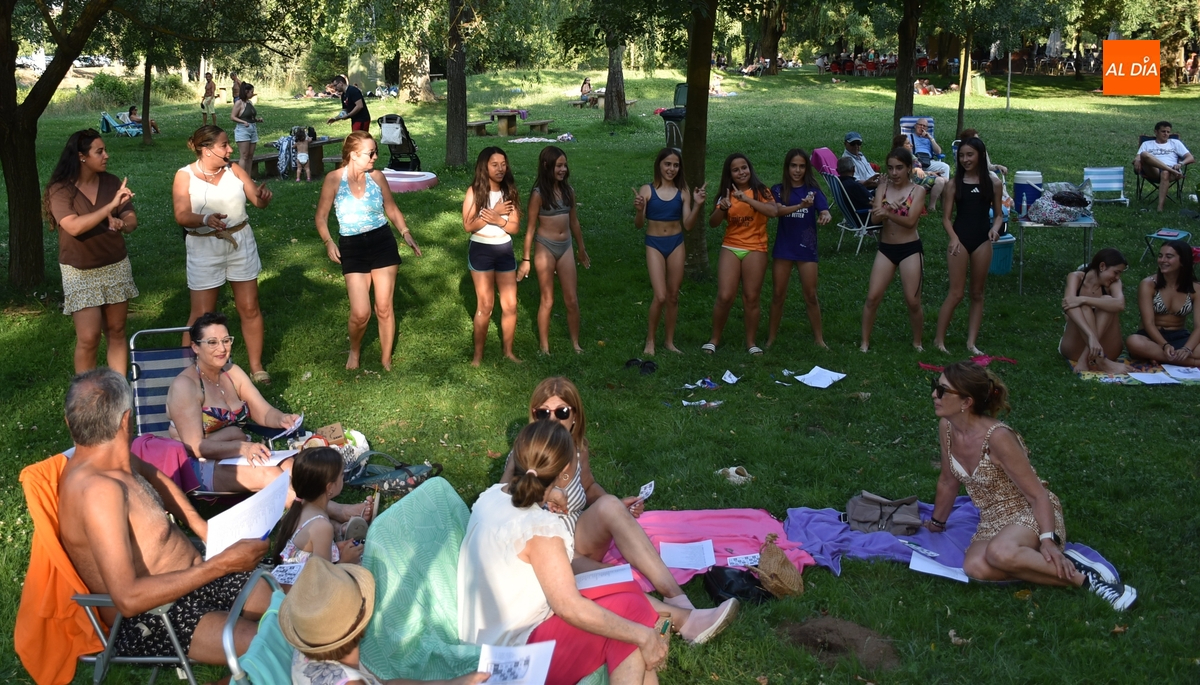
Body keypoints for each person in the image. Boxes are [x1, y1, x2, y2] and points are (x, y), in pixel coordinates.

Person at [461, 421, 730, 685]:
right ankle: (662, 634)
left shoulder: (491, 496)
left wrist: (549, 493)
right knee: (632, 612)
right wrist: (642, 635)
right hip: (514, 660)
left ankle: (665, 633)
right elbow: (569, 607)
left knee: (626, 592)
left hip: (485, 641)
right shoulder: (541, 531)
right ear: (564, 472)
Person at [58, 368, 275, 665]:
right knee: (273, 646)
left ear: (69, 421)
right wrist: (220, 565)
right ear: (126, 421)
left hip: (199, 574)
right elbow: (129, 599)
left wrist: (201, 527)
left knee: (294, 611)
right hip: (156, 614)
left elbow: (154, 475)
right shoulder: (98, 492)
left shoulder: (110, 456)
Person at [500, 377, 740, 644]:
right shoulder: (525, 452)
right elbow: (500, 500)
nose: (553, 419)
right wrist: (543, 498)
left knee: (611, 504)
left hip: (577, 535)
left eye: (562, 412)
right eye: (544, 413)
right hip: (547, 550)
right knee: (611, 579)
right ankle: (686, 622)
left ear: (575, 416)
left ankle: (677, 597)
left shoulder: (578, 448)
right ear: (534, 415)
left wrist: (618, 510)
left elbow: (588, 486)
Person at [926, 361, 1137, 610]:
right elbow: (948, 480)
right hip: (991, 519)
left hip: (1029, 510)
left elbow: (1038, 495)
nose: (934, 394)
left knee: (1000, 554)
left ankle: (1090, 582)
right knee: (975, 568)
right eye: (936, 386)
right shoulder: (947, 427)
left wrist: (1048, 540)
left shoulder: (998, 437)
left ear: (967, 402)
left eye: (942, 390)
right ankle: (1054, 565)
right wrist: (936, 523)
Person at [282, 557, 489, 685]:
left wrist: (449, 683)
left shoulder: (310, 642)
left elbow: (385, 684)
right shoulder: (350, 682)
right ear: (363, 617)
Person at [172, 125, 274, 382]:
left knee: (249, 307)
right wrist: (205, 219)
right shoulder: (185, 176)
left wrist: (263, 198)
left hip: (240, 242)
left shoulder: (234, 170)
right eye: (224, 145)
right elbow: (181, 215)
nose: (230, 149)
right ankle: (188, 372)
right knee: (201, 314)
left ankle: (256, 367)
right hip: (204, 247)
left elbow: (257, 201)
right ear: (206, 150)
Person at [315, 131, 422, 370]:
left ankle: (386, 359)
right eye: (370, 153)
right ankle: (354, 350)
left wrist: (405, 232)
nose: (375, 157)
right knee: (361, 313)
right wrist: (328, 241)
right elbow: (321, 217)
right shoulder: (334, 179)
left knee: (383, 307)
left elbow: (391, 208)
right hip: (352, 246)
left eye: (376, 152)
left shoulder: (377, 177)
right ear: (353, 155)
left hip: (381, 241)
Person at [165, 312, 298, 494]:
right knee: (272, 475)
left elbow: (264, 412)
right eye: (212, 342)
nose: (222, 348)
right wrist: (242, 447)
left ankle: (320, 509)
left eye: (226, 341)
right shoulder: (186, 385)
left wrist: (282, 418)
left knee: (294, 469)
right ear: (195, 347)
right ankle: (318, 510)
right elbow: (195, 447)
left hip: (235, 453)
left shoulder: (232, 373)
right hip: (198, 464)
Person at [43, 129, 139, 375]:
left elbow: (131, 219)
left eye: (105, 150)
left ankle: (118, 388)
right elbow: (74, 227)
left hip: (115, 265)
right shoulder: (60, 189)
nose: (106, 155)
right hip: (80, 271)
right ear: (81, 156)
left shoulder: (111, 182)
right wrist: (109, 207)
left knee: (116, 331)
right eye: (100, 151)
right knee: (89, 337)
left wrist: (122, 223)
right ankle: (86, 393)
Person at [933, 138, 1005, 355]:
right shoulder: (954, 184)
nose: (965, 159)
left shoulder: (993, 183)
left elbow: (999, 215)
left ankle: (971, 343)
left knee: (977, 293)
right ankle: (939, 341)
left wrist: (995, 229)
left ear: (980, 155)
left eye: (969, 155)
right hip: (960, 239)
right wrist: (953, 238)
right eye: (962, 155)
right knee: (956, 293)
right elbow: (946, 218)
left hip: (982, 240)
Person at [517, 146, 590, 355]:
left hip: (566, 247)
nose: (563, 169)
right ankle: (544, 346)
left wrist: (581, 249)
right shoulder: (538, 194)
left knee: (572, 299)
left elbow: (574, 222)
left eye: (565, 165)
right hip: (545, 247)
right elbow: (530, 228)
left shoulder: (569, 192)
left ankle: (575, 343)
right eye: (559, 165)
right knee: (547, 299)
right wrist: (526, 259)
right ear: (546, 166)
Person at [703, 153, 778, 355]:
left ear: (749, 168)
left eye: (744, 167)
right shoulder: (726, 193)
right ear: (730, 174)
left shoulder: (761, 190)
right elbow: (713, 223)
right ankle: (714, 339)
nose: (741, 172)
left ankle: (751, 343)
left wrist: (746, 199)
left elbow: (773, 212)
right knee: (725, 296)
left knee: (751, 297)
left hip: (756, 248)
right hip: (731, 246)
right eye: (735, 170)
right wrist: (722, 208)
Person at [634, 148, 706, 356]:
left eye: (676, 165)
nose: (671, 169)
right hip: (654, 244)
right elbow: (639, 224)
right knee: (660, 296)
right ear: (659, 165)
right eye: (667, 164)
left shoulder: (683, 192)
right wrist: (639, 211)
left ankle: (669, 342)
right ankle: (650, 340)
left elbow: (688, 225)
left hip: (676, 243)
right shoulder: (647, 190)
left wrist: (697, 205)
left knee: (673, 296)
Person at [861, 148, 927, 352]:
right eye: (890, 168)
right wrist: (887, 209)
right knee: (872, 297)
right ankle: (864, 342)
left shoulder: (918, 191)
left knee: (913, 301)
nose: (894, 172)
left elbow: (910, 222)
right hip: (886, 249)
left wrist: (888, 212)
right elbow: (874, 219)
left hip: (910, 249)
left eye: (899, 168)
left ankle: (917, 342)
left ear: (908, 168)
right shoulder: (883, 188)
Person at [767, 148, 831, 349]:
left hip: (806, 248)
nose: (797, 170)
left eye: (802, 166)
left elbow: (824, 210)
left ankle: (819, 339)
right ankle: (771, 339)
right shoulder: (778, 190)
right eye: (793, 166)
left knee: (811, 295)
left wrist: (825, 215)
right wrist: (800, 207)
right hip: (784, 247)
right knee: (778, 295)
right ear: (787, 167)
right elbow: (776, 211)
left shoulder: (813, 190)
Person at [462, 146, 521, 366]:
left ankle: (508, 352)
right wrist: (494, 212)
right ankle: (477, 356)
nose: (500, 169)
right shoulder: (475, 192)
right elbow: (468, 226)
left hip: (504, 249)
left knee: (510, 305)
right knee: (485, 305)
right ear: (484, 167)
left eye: (503, 164)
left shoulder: (509, 192)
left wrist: (499, 221)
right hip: (481, 250)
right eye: (494, 165)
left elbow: (515, 227)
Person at [273, 447, 369, 566]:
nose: (343, 478)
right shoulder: (322, 527)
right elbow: (323, 575)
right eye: (341, 475)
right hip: (310, 577)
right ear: (330, 487)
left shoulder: (300, 507)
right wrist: (345, 560)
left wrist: (334, 548)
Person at [1124, 240, 1200, 366]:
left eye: (1169, 257)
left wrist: (1187, 349)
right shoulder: (1148, 284)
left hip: (1180, 336)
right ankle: (1191, 362)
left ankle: (1158, 357)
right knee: (1133, 341)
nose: (1162, 260)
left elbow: (1199, 327)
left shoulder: (1196, 288)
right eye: (1160, 256)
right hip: (1152, 337)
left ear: (1183, 261)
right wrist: (1164, 345)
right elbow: (1148, 323)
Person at [1059, 248, 1129, 373]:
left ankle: (1089, 359)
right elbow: (1068, 305)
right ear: (1102, 266)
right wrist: (1091, 336)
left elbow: (1120, 304)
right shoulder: (1076, 277)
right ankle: (1101, 360)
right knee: (1084, 308)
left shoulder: (1114, 283)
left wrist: (1083, 299)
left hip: (1107, 348)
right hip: (1075, 347)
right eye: (1116, 272)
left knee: (1107, 301)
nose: (1117, 277)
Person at [1133, 121, 1194, 212]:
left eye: (1168, 132)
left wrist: (1181, 164)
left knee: (1165, 173)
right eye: (1163, 131)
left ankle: (1160, 208)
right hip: (1154, 171)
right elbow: (1138, 157)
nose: (1166, 134)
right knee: (1144, 154)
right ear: (1156, 132)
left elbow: (1190, 157)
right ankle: (1169, 170)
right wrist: (1137, 160)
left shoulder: (1175, 143)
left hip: (1171, 172)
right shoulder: (1146, 144)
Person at [891, 134, 946, 212]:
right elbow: (903, 171)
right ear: (901, 146)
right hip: (912, 181)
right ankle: (931, 207)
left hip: (919, 178)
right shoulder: (899, 157)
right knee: (940, 181)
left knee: (945, 179)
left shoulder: (909, 155)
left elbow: (919, 171)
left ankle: (944, 206)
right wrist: (916, 169)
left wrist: (929, 173)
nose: (911, 145)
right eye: (908, 143)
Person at [230, 82, 263, 174]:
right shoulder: (239, 103)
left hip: (252, 129)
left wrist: (257, 120)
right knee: (244, 155)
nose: (253, 94)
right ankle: (242, 177)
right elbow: (232, 117)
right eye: (251, 92)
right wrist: (243, 122)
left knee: (250, 155)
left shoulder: (249, 102)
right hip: (243, 130)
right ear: (246, 92)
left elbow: (250, 117)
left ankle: (248, 177)